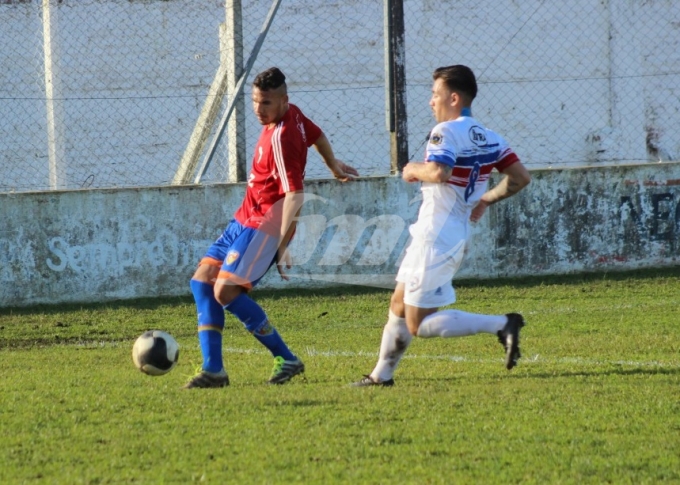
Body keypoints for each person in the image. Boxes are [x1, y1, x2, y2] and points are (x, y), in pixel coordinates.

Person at [352, 64, 531, 387]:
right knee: (398, 302)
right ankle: (381, 376)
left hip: (436, 235)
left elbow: (438, 173)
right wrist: (486, 199)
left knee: (419, 323)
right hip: (446, 232)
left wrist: (412, 170)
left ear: (453, 97)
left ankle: (502, 324)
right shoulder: (492, 138)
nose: (430, 102)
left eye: (435, 95)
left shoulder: (445, 132)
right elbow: (520, 178)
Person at [185, 67, 358, 388]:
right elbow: (317, 135)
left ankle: (286, 358)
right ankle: (213, 370)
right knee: (202, 281)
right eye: (254, 101)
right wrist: (333, 164)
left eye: (265, 103)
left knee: (225, 291)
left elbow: (296, 194)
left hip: (265, 225)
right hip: (244, 218)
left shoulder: (282, 136)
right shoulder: (293, 114)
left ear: (283, 101)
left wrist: (281, 244)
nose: (257, 109)